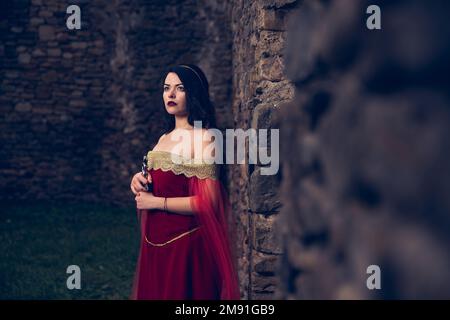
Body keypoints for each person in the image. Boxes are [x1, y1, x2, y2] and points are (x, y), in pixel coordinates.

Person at [129, 64, 240, 300]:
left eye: (179, 88)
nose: (170, 94)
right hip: (155, 242)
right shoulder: (163, 138)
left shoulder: (205, 137)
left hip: (186, 245)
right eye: (166, 88)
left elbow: (207, 203)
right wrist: (138, 181)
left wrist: (155, 202)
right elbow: (161, 180)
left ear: (194, 93)